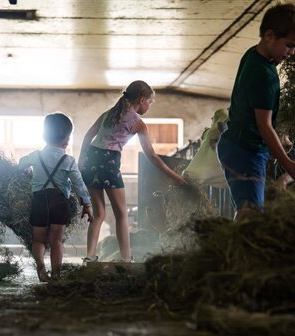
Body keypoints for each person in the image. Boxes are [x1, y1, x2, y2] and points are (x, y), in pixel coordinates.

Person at [78, 80, 186, 263]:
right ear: (142, 100)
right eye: (150, 102)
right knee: (121, 214)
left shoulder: (108, 113)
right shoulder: (137, 123)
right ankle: (127, 259)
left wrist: (81, 163)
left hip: (90, 160)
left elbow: (88, 136)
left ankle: (89, 256)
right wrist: (176, 177)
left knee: (99, 214)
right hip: (109, 162)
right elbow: (152, 156)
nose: (149, 106)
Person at [217, 3, 295, 221]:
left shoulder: (253, 55)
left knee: (246, 210)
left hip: (236, 145)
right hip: (246, 151)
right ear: (270, 36)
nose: (291, 53)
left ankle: (233, 251)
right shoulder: (265, 76)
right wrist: (288, 163)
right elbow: (264, 125)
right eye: (289, 45)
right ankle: (233, 253)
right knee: (250, 214)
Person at [19, 112, 93, 282]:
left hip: (39, 200)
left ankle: (40, 268)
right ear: (67, 140)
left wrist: (27, 170)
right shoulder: (68, 160)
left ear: (44, 136)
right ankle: (57, 274)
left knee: (39, 239)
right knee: (56, 241)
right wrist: (87, 204)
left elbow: (21, 164)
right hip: (59, 202)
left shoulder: (36, 156)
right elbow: (79, 183)